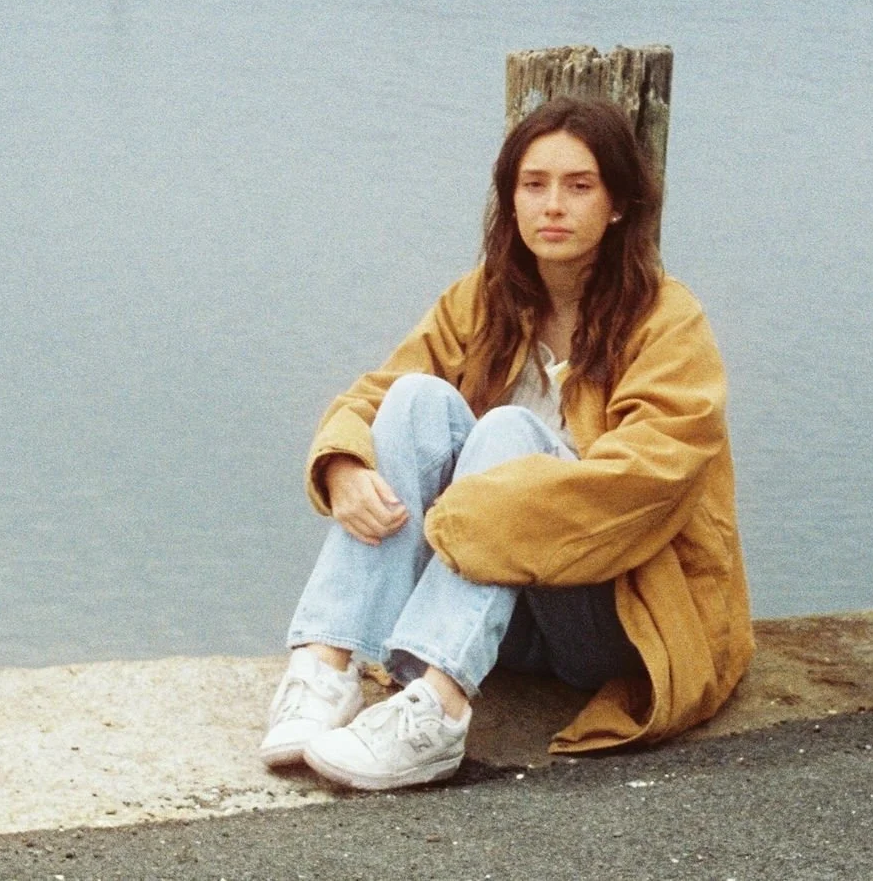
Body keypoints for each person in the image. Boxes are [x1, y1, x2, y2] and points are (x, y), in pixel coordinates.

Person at [260, 95, 751, 791]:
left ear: (616, 205)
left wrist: (480, 513)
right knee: (416, 400)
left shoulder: (669, 322)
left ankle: (437, 711)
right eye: (534, 184)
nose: (553, 205)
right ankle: (324, 668)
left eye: (579, 186)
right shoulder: (486, 298)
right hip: (506, 613)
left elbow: (646, 481)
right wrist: (341, 465)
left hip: (616, 619)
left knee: (509, 432)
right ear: (510, 200)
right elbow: (378, 393)